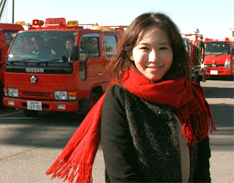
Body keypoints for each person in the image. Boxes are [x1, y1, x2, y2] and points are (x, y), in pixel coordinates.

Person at [46, 12, 216, 183]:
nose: (154, 58)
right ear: (131, 53)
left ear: (174, 52)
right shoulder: (120, 97)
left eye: (163, 48)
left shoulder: (190, 95)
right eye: (145, 48)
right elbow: (121, 174)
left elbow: (202, 165)